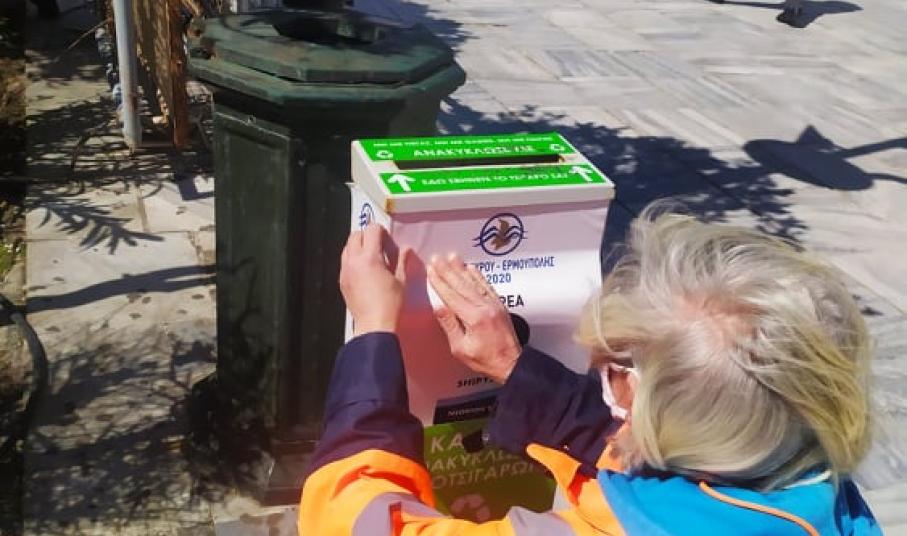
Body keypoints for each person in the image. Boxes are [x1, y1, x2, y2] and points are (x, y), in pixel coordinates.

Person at [298, 206, 882, 535]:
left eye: (611, 377)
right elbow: (657, 456)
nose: (601, 386)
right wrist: (513, 367)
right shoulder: (809, 479)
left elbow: (356, 520)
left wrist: (373, 331)